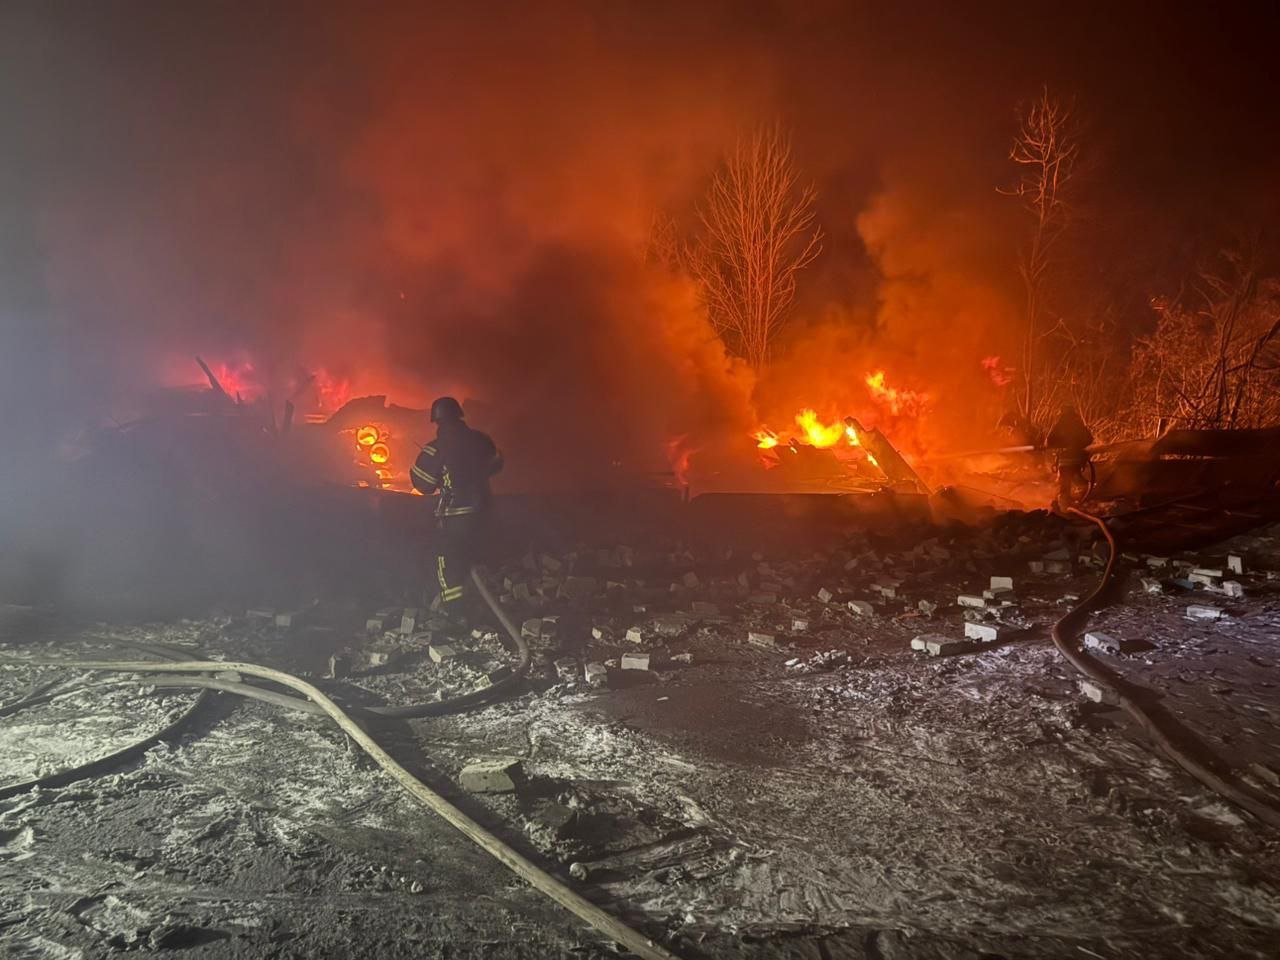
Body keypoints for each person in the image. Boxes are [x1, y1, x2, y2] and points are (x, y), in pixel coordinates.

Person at [410, 397, 503, 623]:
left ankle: (456, 613)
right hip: (485, 511)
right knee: (476, 557)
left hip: (456, 517)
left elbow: (423, 485)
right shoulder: (482, 440)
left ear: (437, 422)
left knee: (447, 561)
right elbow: (497, 464)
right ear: (460, 416)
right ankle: (488, 605)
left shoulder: (435, 449)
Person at [1046, 404, 1094, 509]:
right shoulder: (1078, 423)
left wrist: (1060, 445)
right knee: (1077, 477)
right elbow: (1089, 439)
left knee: (1065, 484)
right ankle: (1083, 498)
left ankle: (1065, 507)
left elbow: (1048, 442)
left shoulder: (1059, 424)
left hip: (1064, 460)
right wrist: (1079, 446)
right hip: (1078, 459)